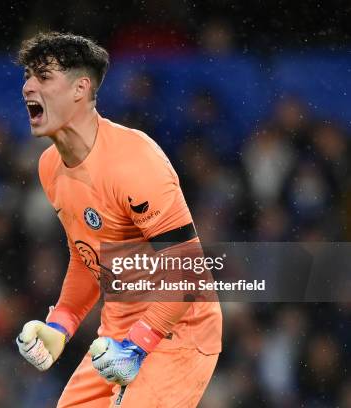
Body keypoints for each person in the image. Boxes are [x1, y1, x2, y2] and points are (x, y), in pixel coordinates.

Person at [15, 32, 222, 408]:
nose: (28, 86)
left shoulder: (134, 162)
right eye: (28, 76)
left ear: (81, 88)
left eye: (43, 77)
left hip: (177, 330)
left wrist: (138, 344)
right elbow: (88, 256)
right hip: (118, 333)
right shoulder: (50, 167)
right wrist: (61, 323)